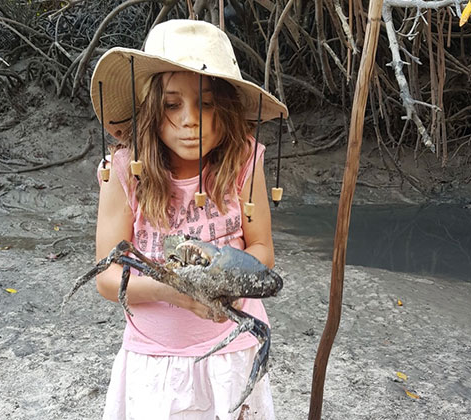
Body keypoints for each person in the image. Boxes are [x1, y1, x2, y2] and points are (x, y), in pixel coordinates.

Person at [89, 19, 288, 420]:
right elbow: (108, 279)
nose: (189, 118)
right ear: (150, 108)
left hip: (233, 349)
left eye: (207, 103)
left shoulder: (245, 161)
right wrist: (172, 291)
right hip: (154, 356)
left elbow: (262, 250)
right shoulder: (125, 169)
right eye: (171, 103)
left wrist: (225, 286)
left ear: (228, 108)